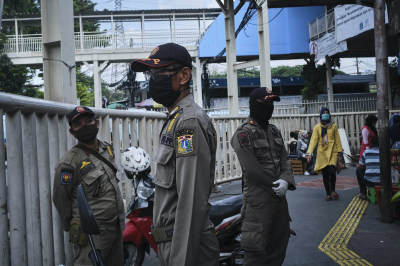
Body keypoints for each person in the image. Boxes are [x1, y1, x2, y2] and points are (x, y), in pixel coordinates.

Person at [130, 42, 219, 266]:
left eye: (159, 73)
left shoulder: (188, 122)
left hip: (185, 249)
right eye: (151, 74)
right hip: (172, 244)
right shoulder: (175, 118)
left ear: (184, 76)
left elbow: (190, 203)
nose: (153, 80)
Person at [231, 87, 296, 266]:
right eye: (265, 102)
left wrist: (286, 180)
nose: (269, 106)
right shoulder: (243, 133)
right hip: (257, 202)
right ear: (254, 105)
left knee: (279, 247)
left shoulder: (274, 131)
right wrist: (276, 184)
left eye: (271, 103)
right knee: (255, 252)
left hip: (279, 202)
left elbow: (284, 159)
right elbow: (251, 170)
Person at [52, 106, 125, 266]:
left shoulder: (106, 149)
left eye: (88, 120)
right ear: (72, 132)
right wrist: (73, 225)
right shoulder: (69, 163)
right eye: (78, 123)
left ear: (97, 123)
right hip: (92, 234)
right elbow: (60, 197)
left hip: (115, 225)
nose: (85, 125)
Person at [306, 107, 343, 201]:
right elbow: (313, 140)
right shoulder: (317, 127)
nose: (325, 114)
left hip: (332, 152)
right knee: (325, 174)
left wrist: (340, 152)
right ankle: (328, 193)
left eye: (327, 113)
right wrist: (309, 153)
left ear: (329, 115)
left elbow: (337, 139)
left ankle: (333, 190)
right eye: (324, 113)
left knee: (332, 171)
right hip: (322, 153)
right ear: (321, 115)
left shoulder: (333, 126)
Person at [356, 115, 377, 200]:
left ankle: (366, 191)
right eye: (374, 122)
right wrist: (368, 153)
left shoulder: (372, 128)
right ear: (371, 121)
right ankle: (364, 192)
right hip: (367, 151)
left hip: (371, 151)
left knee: (361, 170)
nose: (375, 123)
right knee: (363, 169)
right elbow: (365, 142)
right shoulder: (365, 129)